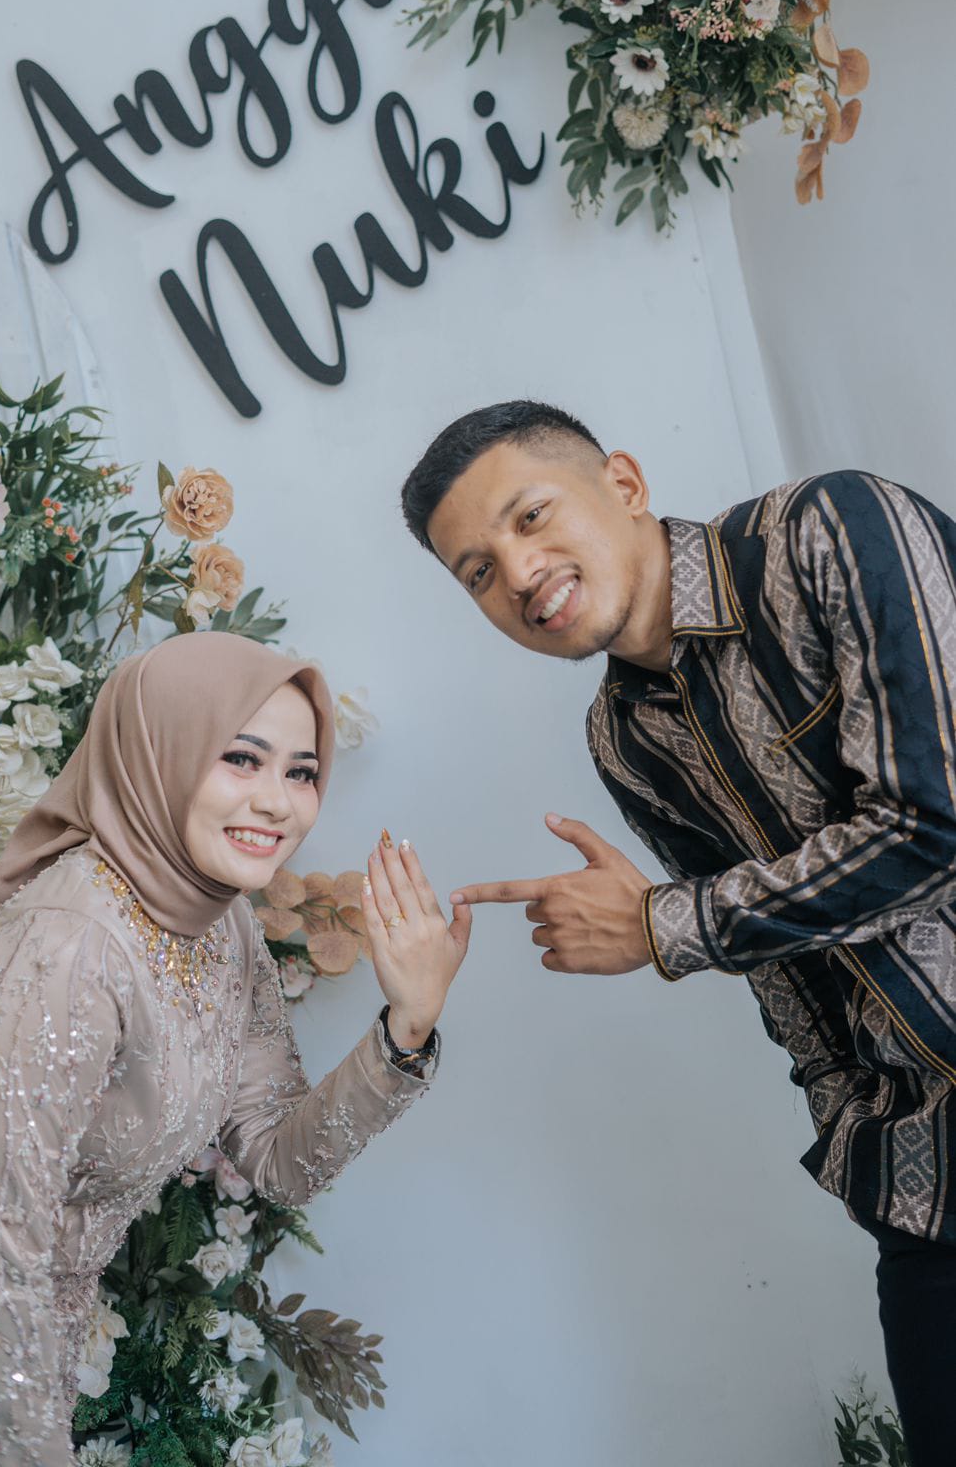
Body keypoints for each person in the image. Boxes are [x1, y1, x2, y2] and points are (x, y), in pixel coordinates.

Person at [401, 400, 956, 1467]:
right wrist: (854, 1137)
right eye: (477, 571)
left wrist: (663, 926)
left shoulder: (827, 532)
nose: (518, 574)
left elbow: (933, 825)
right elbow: (786, 979)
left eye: (529, 517)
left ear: (624, 482)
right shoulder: (621, 737)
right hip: (924, 1169)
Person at [0, 631, 470, 1466]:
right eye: (242, 758)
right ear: (158, 752)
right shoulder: (65, 949)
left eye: (301, 772)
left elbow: (276, 1159)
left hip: (21, 1375)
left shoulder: (222, 926)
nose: (279, 804)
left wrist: (407, 1025)